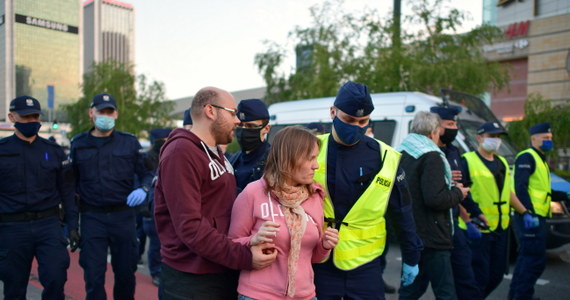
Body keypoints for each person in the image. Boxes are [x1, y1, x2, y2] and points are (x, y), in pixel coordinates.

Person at [154, 87, 278, 300]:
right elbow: (191, 228)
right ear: (210, 111)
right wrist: (244, 257)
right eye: (232, 113)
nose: (237, 121)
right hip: (192, 279)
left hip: (217, 269)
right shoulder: (181, 153)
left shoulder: (216, 153)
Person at [312, 81, 423, 300]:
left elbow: (402, 211)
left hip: (366, 267)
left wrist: (412, 256)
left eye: (363, 121)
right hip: (318, 260)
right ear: (333, 112)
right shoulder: (311, 148)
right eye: (349, 120)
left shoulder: (384, 157)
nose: (356, 126)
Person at [229, 126, 339, 300]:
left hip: (305, 295)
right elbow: (231, 245)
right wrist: (253, 240)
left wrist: (324, 245)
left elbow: (313, 258)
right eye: (310, 158)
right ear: (289, 159)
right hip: (258, 295)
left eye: (316, 158)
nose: (316, 165)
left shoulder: (316, 196)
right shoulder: (253, 192)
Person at [70, 93, 153, 300]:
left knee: (125, 274)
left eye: (109, 111)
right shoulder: (78, 144)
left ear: (116, 114)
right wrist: (70, 223)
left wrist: (142, 189)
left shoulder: (130, 143)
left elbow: (148, 173)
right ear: (92, 113)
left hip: (122, 217)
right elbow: (70, 183)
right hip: (92, 217)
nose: (105, 115)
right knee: (93, 275)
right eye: (101, 111)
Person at [0, 96, 78, 300]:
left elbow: (67, 192)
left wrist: (73, 226)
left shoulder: (54, 152)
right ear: (11, 117)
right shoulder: (2, 151)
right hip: (12, 227)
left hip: (48, 225)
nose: (31, 121)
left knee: (56, 277)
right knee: (13, 286)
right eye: (25, 117)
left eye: (35, 116)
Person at [397, 111, 470, 300]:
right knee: (445, 292)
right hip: (433, 235)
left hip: (411, 232)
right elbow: (434, 198)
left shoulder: (403, 152)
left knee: (410, 289)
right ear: (433, 132)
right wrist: (457, 193)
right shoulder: (431, 156)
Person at [461, 122, 528, 298]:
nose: (495, 141)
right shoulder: (467, 160)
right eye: (491, 137)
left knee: (496, 275)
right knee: (479, 276)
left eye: (497, 137)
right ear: (479, 138)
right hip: (479, 228)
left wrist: (524, 212)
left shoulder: (503, 162)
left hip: (500, 228)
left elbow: (508, 192)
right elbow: (459, 193)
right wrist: (469, 221)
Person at [508, 122, 569, 300]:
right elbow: (520, 187)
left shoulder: (539, 158)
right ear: (533, 138)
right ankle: (522, 296)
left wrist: (564, 195)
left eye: (550, 138)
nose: (549, 140)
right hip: (529, 218)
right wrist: (527, 212)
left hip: (538, 217)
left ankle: (518, 295)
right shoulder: (527, 157)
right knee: (533, 260)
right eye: (545, 137)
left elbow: (543, 191)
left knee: (528, 260)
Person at [431, 105, 485, 300]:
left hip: (454, 225)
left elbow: (462, 188)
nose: (454, 128)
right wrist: (445, 180)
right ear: (437, 125)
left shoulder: (454, 152)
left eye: (455, 124)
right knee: (422, 282)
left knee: (465, 277)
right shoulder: (429, 152)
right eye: (450, 124)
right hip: (434, 227)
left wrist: (475, 213)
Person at [142, 128, 172, 287]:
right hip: (150, 206)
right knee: (154, 242)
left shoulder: (170, 154)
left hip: (162, 206)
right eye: (164, 139)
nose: (167, 141)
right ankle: (155, 272)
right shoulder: (147, 158)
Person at [230, 99, 271, 193]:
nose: (243, 130)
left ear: (266, 128)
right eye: (240, 125)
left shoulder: (275, 161)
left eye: (250, 126)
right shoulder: (232, 160)